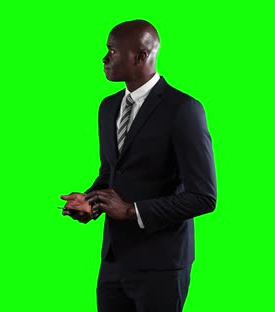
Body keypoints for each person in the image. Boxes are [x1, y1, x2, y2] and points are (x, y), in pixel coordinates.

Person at [60, 20, 217, 312]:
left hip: (162, 265)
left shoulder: (183, 109)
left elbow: (204, 197)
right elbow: (110, 172)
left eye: (112, 51)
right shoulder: (107, 107)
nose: (105, 58)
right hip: (113, 261)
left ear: (140, 56)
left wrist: (132, 210)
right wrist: (90, 202)